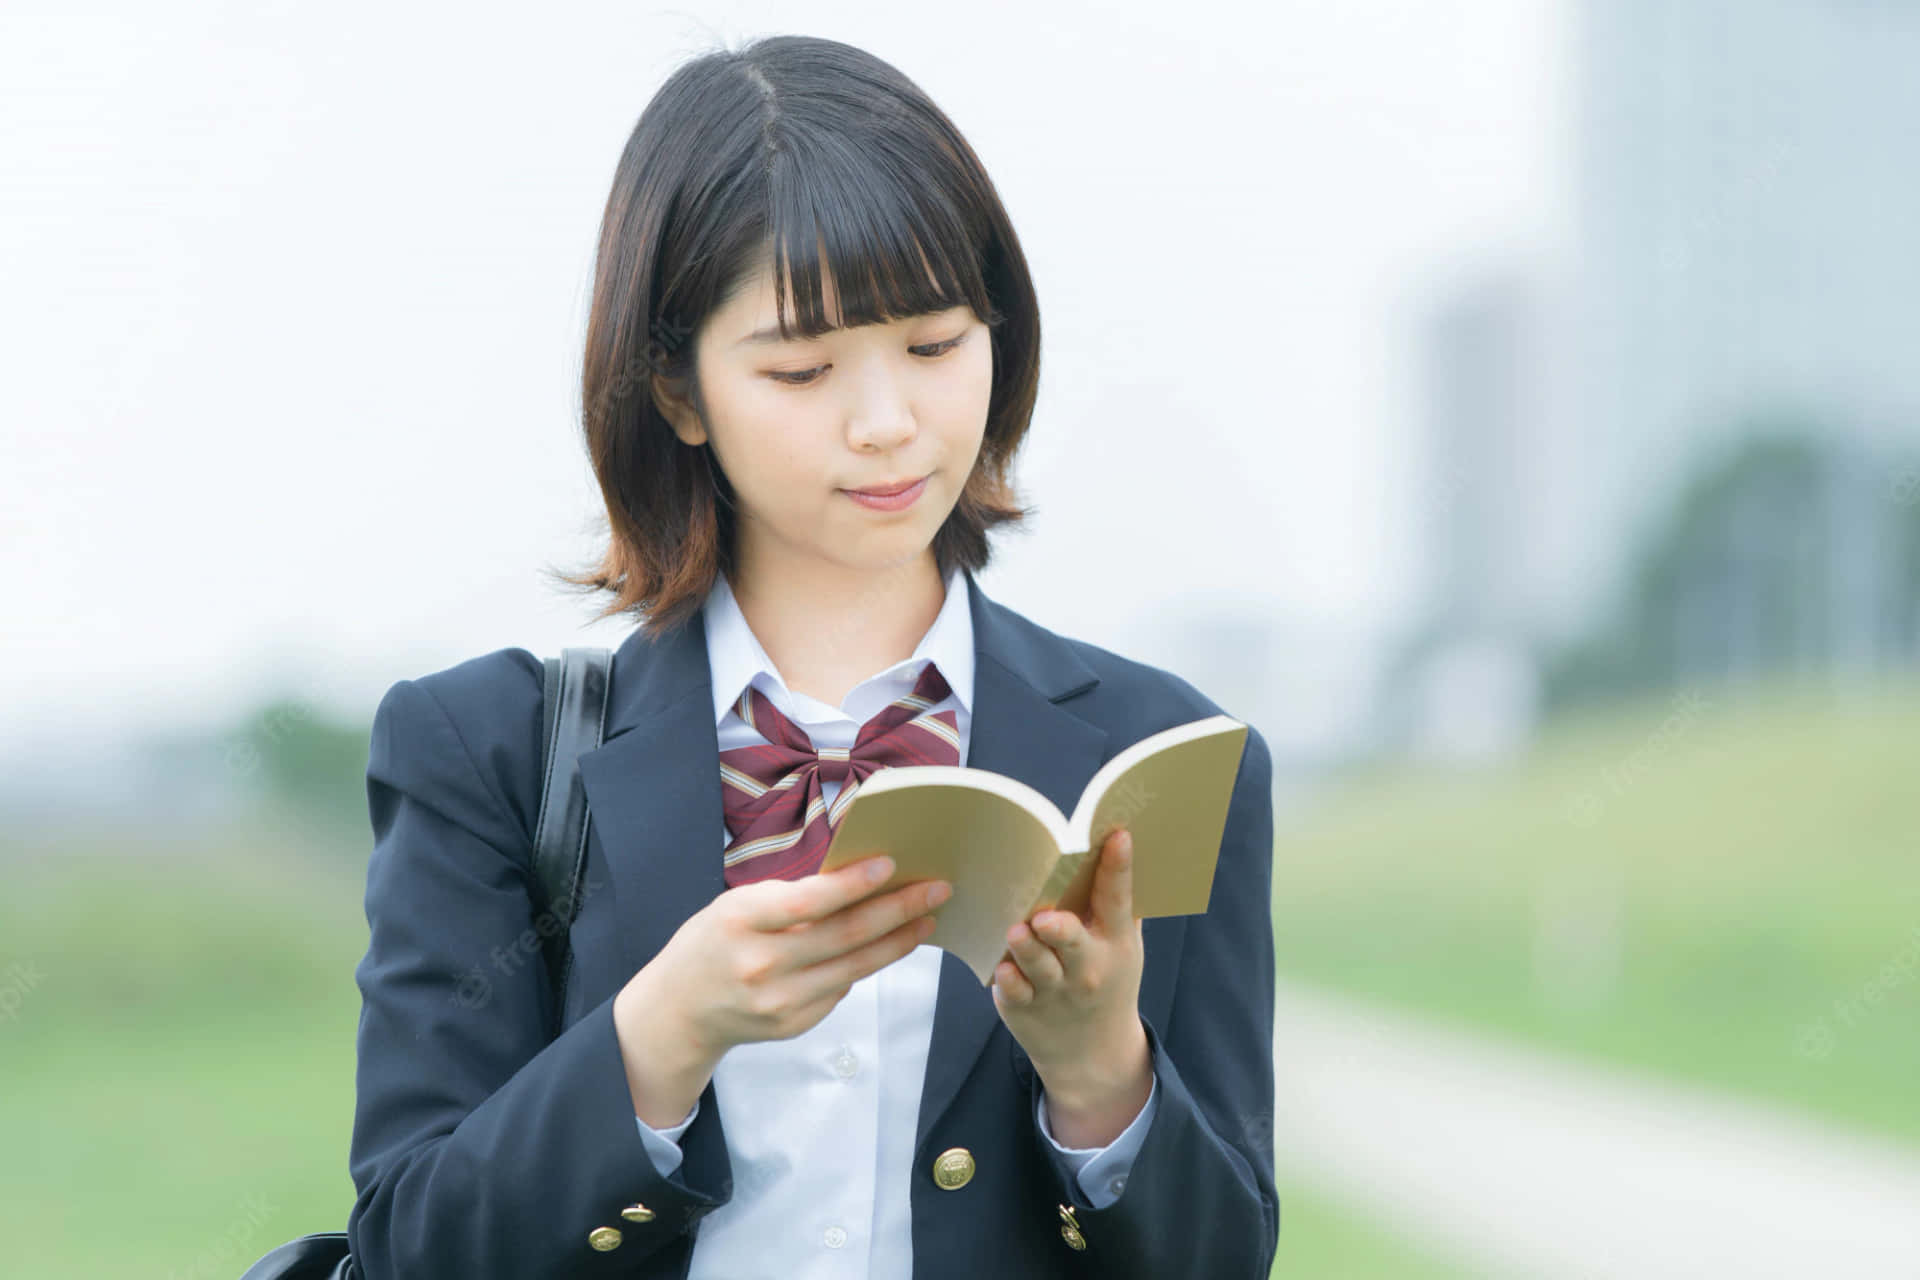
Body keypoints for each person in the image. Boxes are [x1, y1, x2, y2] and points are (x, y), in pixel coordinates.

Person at [344, 32, 1277, 1280]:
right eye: (801, 366)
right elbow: (411, 1248)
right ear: (677, 391)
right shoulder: (485, 756)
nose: (888, 421)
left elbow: (1224, 1261)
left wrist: (1101, 1067)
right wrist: (664, 1030)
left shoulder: (1165, 757)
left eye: (938, 344)